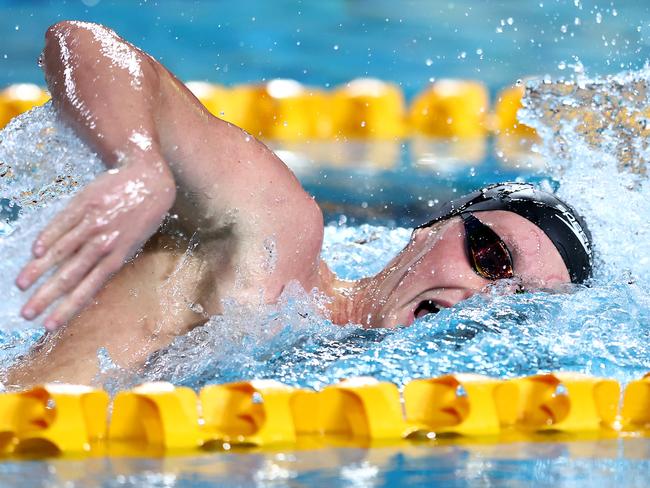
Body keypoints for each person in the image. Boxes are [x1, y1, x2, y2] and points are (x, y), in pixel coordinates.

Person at [5, 21, 593, 387]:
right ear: (428, 230)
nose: (488, 299)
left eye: (520, 305)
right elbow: (83, 41)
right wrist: (138, 161)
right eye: (490, 257)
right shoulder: (275, 246)